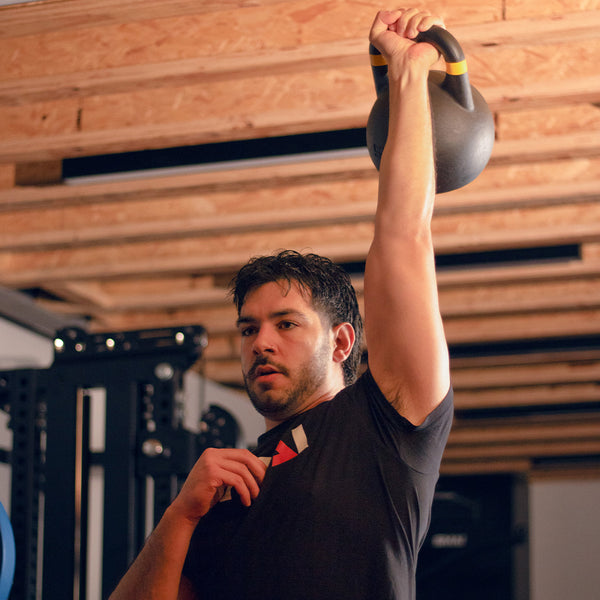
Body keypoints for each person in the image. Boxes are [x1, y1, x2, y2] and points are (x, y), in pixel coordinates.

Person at [109, 8, 452, 600]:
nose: (259, 342)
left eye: (286, 323)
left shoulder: (386, 425)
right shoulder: (226, 486)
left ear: (343, 342)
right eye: (248, 329)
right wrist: (179, 518)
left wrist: (409, 74)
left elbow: (403, 235)